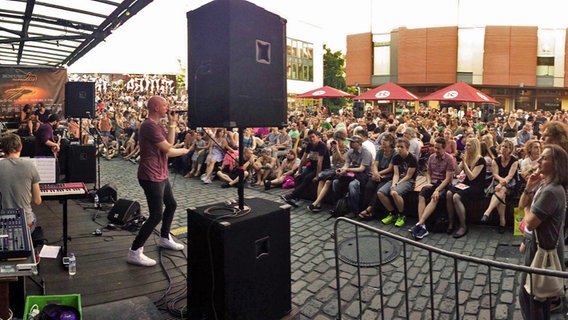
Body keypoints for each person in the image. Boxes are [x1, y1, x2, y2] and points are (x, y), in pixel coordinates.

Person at [127, 96, 189, 267]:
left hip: (161, 173)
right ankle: (135, 251)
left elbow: (169, 142)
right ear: (155, 108)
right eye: (164, 105)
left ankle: (164, 237)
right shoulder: (148, 126)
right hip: (151, 175)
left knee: (172, 204)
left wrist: (172, 123)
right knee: (156, 215)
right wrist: (184, 151)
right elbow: (168, 149)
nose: (168, 106)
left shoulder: (157, 125)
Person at [518, 144, 568, 319]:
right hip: (536, 243)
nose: (539, 160)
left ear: (556, 164)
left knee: (530, 296)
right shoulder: (543, 184)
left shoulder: (552, 191)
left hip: (542, 249)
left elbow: (530, 222)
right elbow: (521, 203)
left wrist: (526, 209)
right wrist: (529, 187)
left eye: (544, 158)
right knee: (539, 297)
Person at [410, 137, 455, 239]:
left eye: (438, 148)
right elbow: (428, 173)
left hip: (443, 184)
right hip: (433, 182)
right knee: (421, 195)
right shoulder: (431, 157)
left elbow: (448, 179)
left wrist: (437, 190)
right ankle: (423, 225)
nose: (436, 150)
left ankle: (419, 224)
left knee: (435, 197)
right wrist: (428, 182)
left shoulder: (449, 159)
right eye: (435, 148)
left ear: (444, 149)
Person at [0, 134, 42, 232]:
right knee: (33, 216)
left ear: (3, 149)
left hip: (4, 221)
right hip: (25, 222)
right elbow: (37, 201)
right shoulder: (29, 165)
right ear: (20, 147)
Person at [446, 138, 486, 238]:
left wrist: (464, 163)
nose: (465, 147)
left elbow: (472, 177)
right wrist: (454, 161)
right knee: (449, 193)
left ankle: (463, 226)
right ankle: (451, 222)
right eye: (466, 145)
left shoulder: (480, 160)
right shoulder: (467, 157)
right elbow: (458, 172)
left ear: (474, 147)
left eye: (468, 145)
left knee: (456, 197)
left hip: (477, 187)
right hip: (466, 184)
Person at [481, 139, 519, 233]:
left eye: (506, 147)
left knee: (500, 190)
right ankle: (502, 221)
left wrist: (501, 184)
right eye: (502, 146)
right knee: (502, 193)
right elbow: (495, 175)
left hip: (510, 182)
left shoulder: (514, 160)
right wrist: (501, 184)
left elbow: (510, 176)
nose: (503, 148)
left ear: (510, 149)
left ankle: (487, 212)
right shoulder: (496, 160)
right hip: (498, 180)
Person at [379, 137, 417, 227]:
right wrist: (393, 184)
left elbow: (409, 176)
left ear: (407, 148)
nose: (399, 149)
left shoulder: (412, 158)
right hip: (397, 179)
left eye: (401, 147)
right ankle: (392, 213)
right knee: (380, 192)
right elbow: (396, 174)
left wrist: (396, 185)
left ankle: (402, 215)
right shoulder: (396, 158)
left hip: (409, 181)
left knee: (395, 193)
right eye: (398, 147)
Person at [332, 135, 373, 217]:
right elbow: (346, 165)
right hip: (353, 173)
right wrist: (342, 170)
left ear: (359, 143)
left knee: (353, 185)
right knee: (336, 182)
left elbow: (362, 169)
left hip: (364, 175)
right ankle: (339, 206)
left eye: (353, 142)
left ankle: (354, 211)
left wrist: (347, 170)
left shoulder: (366, 153)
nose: (350, 143)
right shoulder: (350, 152)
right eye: (350, 141)